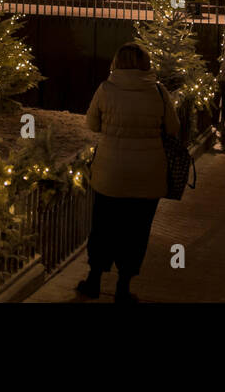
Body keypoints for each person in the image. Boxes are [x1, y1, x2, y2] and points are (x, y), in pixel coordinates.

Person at [78, 42, 178, 303]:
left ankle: (94, 280)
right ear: (146, 64)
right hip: (148, 174)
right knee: (136, 230)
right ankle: (123, 286)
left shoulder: (106, 89)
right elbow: (173, 128)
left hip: (111, 172)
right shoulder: (158, 92)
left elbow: (92, 123)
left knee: (103, 227)